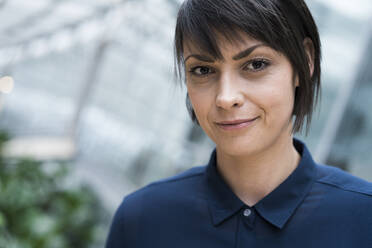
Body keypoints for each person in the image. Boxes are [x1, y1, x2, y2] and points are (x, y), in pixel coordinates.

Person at [106, 0, 372, 247]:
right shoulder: (142, 219)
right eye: (203, 70)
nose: (226, 97)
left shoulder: (363, 218)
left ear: (306, 60)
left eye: (255, 64)